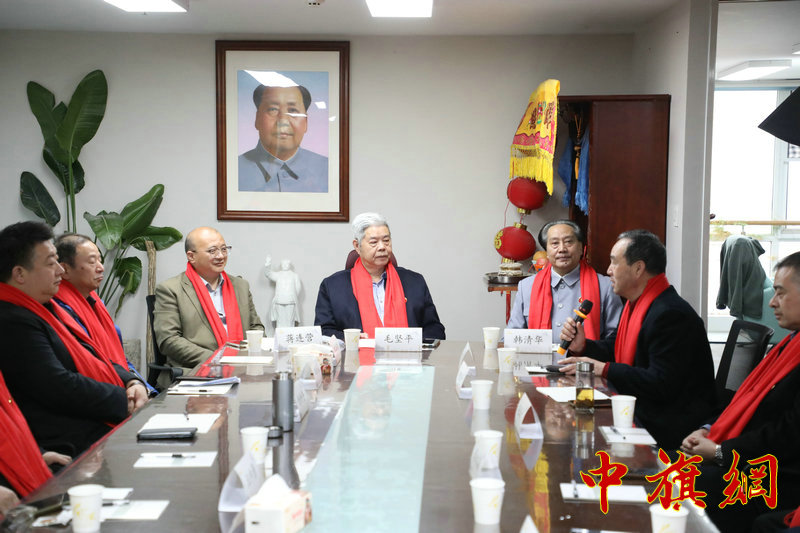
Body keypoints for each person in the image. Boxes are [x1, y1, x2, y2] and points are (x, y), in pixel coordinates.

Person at [0, 221, 148, 457]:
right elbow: (56, 385)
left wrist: (131, 382)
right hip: (65, 441)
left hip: (90, 425)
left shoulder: (47, 308)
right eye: (51, 263)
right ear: (19, 274)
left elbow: (92, 354)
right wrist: (123, 400)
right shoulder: (12, 320)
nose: (60, 270)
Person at [559, 229, 716, 450]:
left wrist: (604, 369)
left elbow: (661, 383)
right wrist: (584, 346)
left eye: (614, 263)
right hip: (643, 411)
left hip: (668, 427)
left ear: (638, 268)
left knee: (578, 437)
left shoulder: (670, 314)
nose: (608, 270)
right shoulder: (639, 303)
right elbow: (618, 347)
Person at [679, 251, 800, 533]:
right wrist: (708, 429)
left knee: (674, 484)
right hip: (748, 458)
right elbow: (743, 402)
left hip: (777, 478)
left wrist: (721, 453)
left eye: (781, 293)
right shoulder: (789, 343)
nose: (772, 302)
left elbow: (788, 434)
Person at [53, 233, 157, 396]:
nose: (101, 267)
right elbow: (93, 360)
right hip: (99, 395)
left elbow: (121, 360)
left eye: (99, 260)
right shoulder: (61, 310)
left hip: (125, 384)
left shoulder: (95, 301)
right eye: (91, 262)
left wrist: (145, 388)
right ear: (65, 270)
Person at [314, 212, 445, 340]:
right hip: (356, 354)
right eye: (374, 242)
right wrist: (351, 339)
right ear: (357, 246)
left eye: (386, 240)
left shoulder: (415, 282)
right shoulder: (332, 286)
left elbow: (435, 329)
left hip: (409, 354)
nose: (382, 247)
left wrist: (412, 341)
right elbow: (323, 331)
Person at [154, 227, 263, 378]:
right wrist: (218, 359)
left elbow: (256, 328)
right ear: (191, 256)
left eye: (224, 249)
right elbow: (169, 340)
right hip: (195, 372)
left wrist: (244, 357)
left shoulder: (240, 286)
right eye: (212, 251)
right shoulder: (170, 289)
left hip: (243, 369)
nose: (221, 256)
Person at [507, 219, 623, 344]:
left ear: (581, 248)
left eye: (568, 242)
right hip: (537, 357)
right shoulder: (526, 287)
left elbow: (616, 341)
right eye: (555, 243)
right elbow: (512, 338)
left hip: (586, 357)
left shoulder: (605, 286)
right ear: (546, 251)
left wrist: (585, 348)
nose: (562, 249)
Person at [238, 84, 328, 193]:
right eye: (273, 109)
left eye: (293, 110)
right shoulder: (233, 170)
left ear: (306, 122)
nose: (283, 121)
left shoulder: (327, 169)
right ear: (257, 119)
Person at [264, 255, 301, 329]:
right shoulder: (278, 274)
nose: (285, 266)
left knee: (290, 320)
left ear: (289, 265)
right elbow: (268, 274)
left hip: (290, 300)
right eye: (283, 264)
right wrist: (268, 263)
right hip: (279, 300)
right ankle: (280, 334)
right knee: (280, 321)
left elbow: (298, 288)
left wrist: (293, 296)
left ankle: (289, 334)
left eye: (286, 264)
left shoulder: (294, 275)